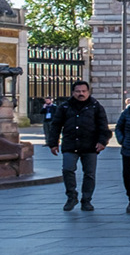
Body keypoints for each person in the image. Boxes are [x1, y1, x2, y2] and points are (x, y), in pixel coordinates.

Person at [47, 80, 111, 212]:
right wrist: (53, 143)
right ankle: (71, 196)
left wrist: (102, 141)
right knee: (67, 170)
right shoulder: (64, 107)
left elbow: (103, 126)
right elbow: (56, 125)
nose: (81, 94)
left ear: (88, 92)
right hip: (70, 144)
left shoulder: (96, 106)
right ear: (73, 92)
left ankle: (86, 200)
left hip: (90, 146)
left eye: (83, 91)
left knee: (90, 174)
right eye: (78, 91)